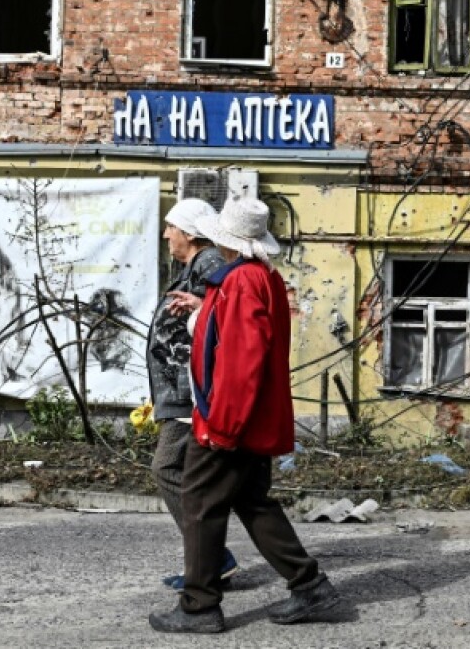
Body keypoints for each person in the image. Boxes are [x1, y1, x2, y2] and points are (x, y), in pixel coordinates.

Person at [149, 197, 343, 634]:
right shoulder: (260, 278)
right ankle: (311, 587)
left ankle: (199, 606)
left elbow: (242, 360)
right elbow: (235, 335)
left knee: (198, 499)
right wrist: (201, 310)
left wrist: (222, 427)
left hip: (230, 418)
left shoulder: (241, 282)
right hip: (250, 416)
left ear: (225, 239)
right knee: (252, 501)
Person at [146, 198, 238, 591]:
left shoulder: (209, 264)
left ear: (188, 232)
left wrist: (202, 305)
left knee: (166, 468)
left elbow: (228, 313)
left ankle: (212, 558)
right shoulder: (195, 267)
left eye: (171, 227)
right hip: (180, 391)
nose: (166, 234)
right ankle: (210, 560)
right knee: (192, 477)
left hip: (191, 394)